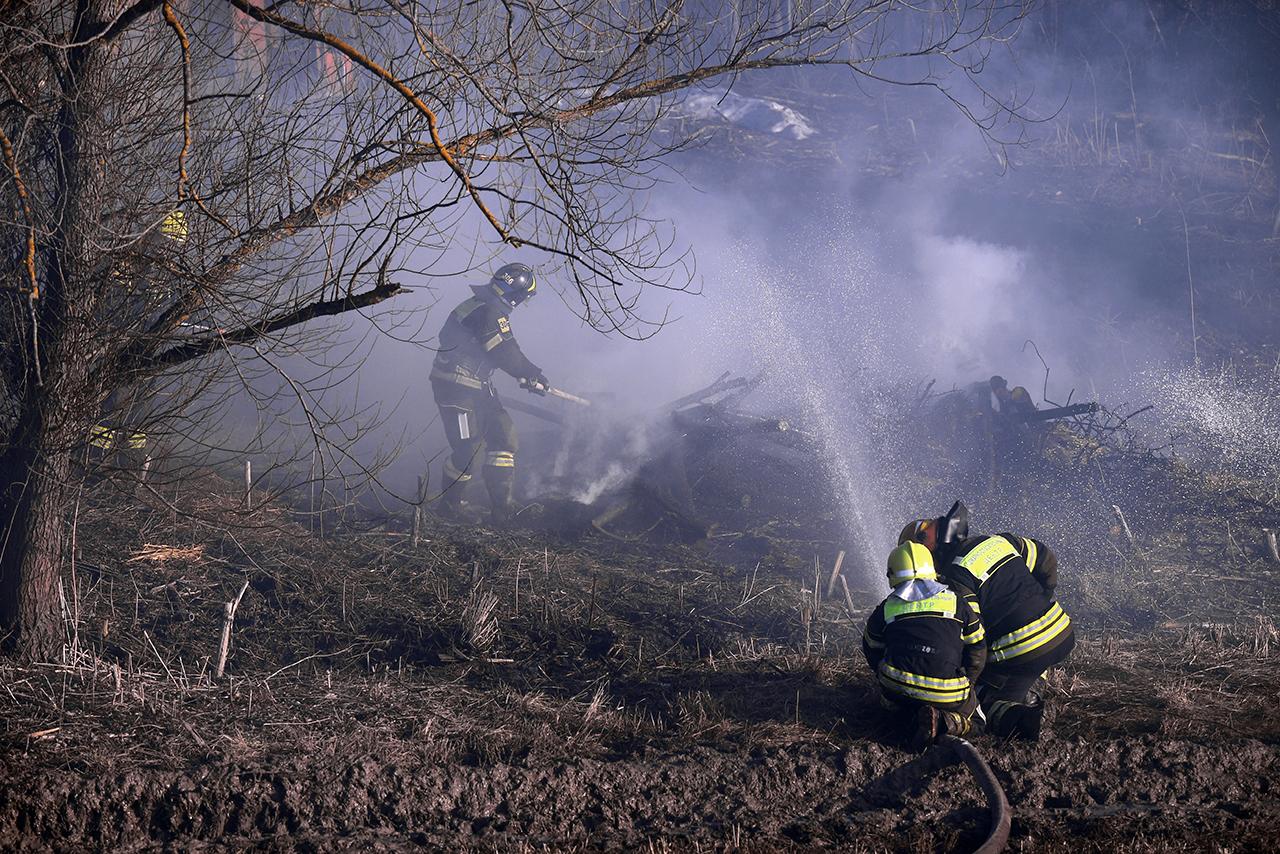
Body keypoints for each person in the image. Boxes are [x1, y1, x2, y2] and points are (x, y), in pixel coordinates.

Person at [899, 502, 1074, 740]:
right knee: (1031, 659)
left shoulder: (955, 577)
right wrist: (1040, 600)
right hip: (1061, 632)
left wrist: (967, 685)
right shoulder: (999, 541)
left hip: (1022, 652)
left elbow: (974, 638)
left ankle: (1024, 720)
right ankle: (1031, 692)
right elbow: (1047, 560)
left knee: (983, 702)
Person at [430, 263, 548, 524]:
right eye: (524, 298)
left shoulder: (481, 304)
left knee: (504, 437)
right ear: (517, 295)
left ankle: (502, 509)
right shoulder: (490, 311)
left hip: (477, 385)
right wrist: (529, 373)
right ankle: (450, 507)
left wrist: (529, 374)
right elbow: (502, 351)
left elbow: (504, 346)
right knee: (467, 450)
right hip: (456, 387)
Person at [862, 541, 988, 750]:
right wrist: (968, 682)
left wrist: (884, 673)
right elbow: (978, 650)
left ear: (892, 574)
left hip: (897, 684)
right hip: (948, 691)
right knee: (979, 721)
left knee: (896, 708)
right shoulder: (958, 603)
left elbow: (871, 647)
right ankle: (945, 722)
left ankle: (905, 719)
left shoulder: (886, 607)